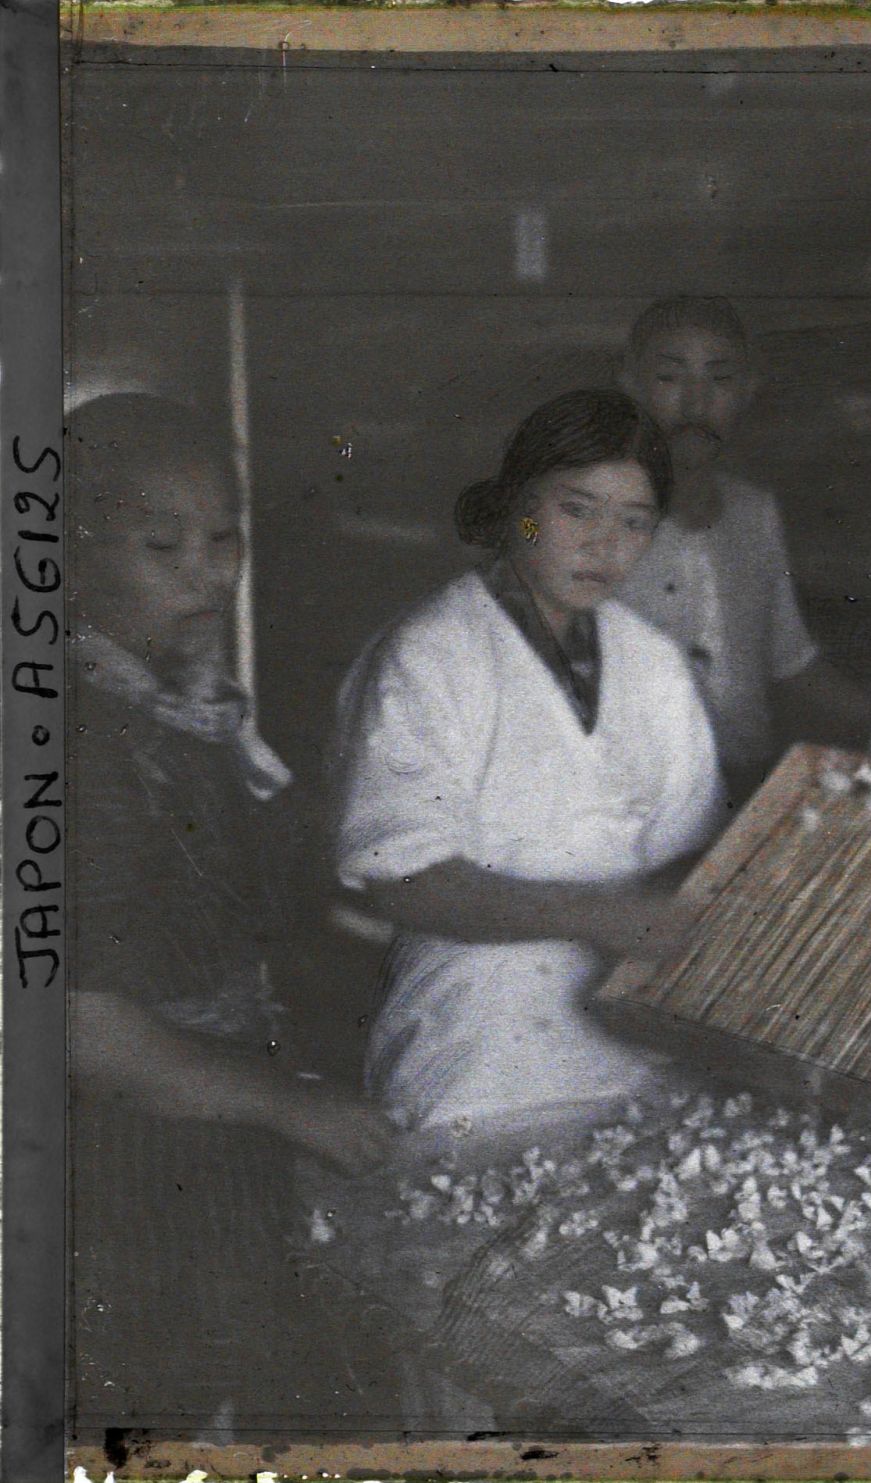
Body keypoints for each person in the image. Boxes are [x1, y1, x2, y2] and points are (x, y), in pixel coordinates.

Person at [68, 393, 400, 1433]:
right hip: (125, 1161)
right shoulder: (74, 747)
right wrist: (290, 1104)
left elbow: (240, 897)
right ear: (68, 550)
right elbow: (84, 1028)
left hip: (213, 1139)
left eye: (225, 539)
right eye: (163, 545)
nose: (209, 574)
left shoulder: (177, 705)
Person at [334, 388, 728, 1139]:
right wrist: (606, 916)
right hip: (476, 1065)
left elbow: (693, 853)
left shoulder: (653, 664)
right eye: (578, 509)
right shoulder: (430, 654)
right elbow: (403, 878)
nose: (604, 545)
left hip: (636, 1063)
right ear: (518, 503)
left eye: (634, 522)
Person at [616, 296, 871, 801]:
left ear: (747, 392)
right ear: (630, 385)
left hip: (744, 787)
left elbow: (791, 663)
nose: (696, 405)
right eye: (670, 378)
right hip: (635, 797)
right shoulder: (591, 520)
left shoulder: (754, 514)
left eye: (720, 380)